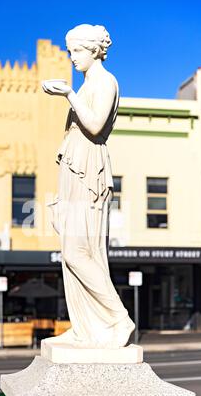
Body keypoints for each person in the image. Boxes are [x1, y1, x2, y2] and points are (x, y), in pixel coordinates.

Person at [42, 24, 135, 349]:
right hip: (73, 170)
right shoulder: (87, 85)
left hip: (89, 171)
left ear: (95, 49)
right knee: (70, 256)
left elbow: (94, 126)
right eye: (70, 51)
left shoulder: (105, 82)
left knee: (79, 252)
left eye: (77, 50)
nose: (72, 57)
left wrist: (68, 94)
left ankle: (117, 318)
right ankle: (85, 328)